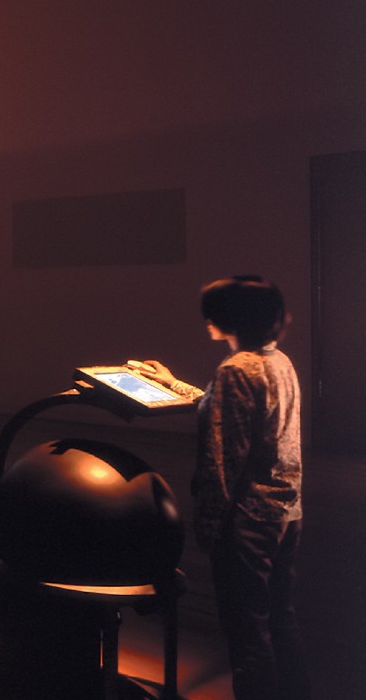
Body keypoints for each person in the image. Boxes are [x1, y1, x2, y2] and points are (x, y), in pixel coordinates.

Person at [140, 276, 310, 700]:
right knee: (280, 617)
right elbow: (225, 410)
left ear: (231, 318)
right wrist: (172, 382)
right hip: (286, 513)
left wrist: (210, 526)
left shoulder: (235, 370)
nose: (208, 320)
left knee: (247, 633)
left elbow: (222, 457)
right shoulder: (278, 362)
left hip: (248, 520)